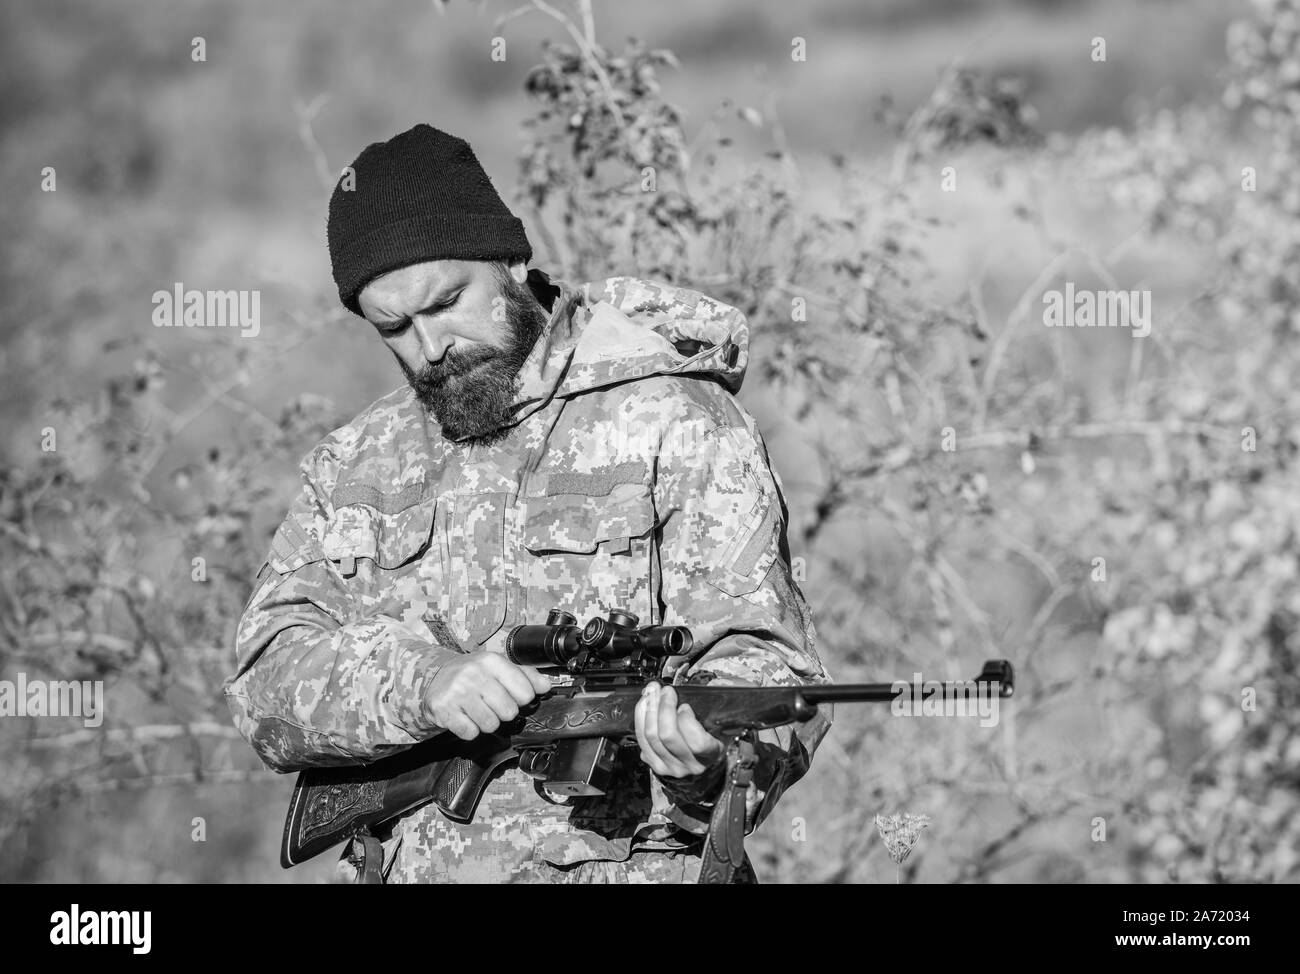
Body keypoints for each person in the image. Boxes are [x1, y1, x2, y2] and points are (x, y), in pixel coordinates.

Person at [224, 123, 832, 883]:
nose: (431, 345)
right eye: (395, 329)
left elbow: (772, 675)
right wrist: (425, 682)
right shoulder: (355, 464)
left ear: (510, 258)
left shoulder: (675, 418)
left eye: (447, 302)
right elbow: (266, 678)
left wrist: (703, 768)